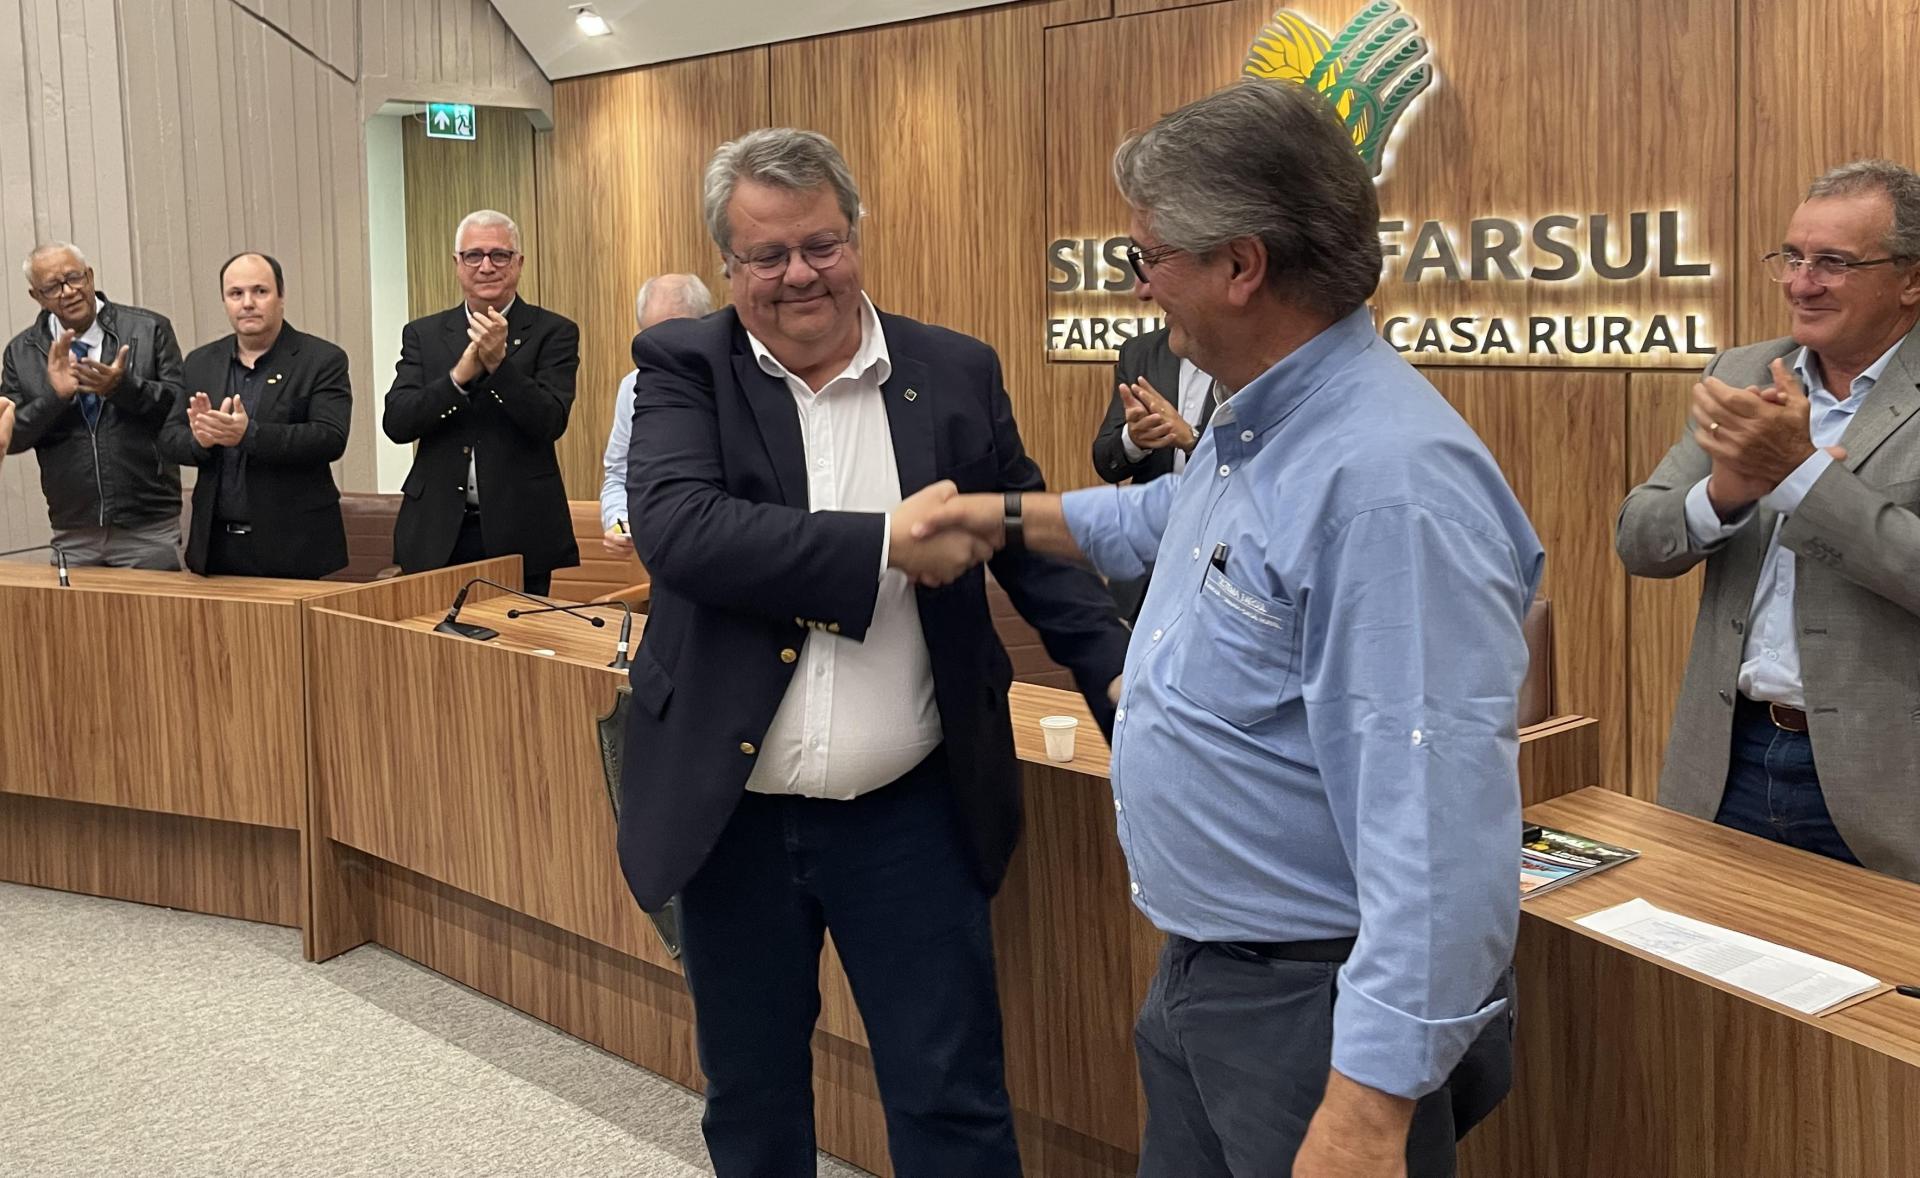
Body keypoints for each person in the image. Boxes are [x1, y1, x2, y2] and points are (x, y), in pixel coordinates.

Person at [913, 79, 1542, 1177]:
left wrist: (1368, 1108)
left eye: (1149, 256)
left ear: (1242, 265)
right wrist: (995, 516)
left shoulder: (1387, 486)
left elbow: (1438, 833)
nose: (1139, 284)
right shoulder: (1261, 426)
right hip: (1212, 975)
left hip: (1313, 1009)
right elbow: (1157, 520)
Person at [613, 128, 1129, 1177]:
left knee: (951, 1098)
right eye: (768, 255)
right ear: (727, 265)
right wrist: (886, 542)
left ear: (857, 234)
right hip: (732, 812)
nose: (800, 274)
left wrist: (1125, 683)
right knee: (752, 1098)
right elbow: (682, 530)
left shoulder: (952, 370)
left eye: (822, 244)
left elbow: (1026, 538)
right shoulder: (685, 366)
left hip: (912, 814)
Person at [1617, 158, 1920, 880]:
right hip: (1730, 757)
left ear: (1911, 279)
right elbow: (1640, 541)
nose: (1800, 284)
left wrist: (1801, 476)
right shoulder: (1744, 371)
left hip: (1887, 783)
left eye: (1834, 263)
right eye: (1792, 257)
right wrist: (1725, 493)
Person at [383, 210, 579, 596]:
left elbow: (550, 421)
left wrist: (499, 366)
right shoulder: (424, 333)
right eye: (473, 255)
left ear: (518, 263)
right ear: (457, 263)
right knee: (431, 634)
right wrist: (458, 377)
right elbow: (398, 423)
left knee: (515, 634)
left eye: (499, 255)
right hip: (436, 527)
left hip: (519, 528)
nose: (486, 267)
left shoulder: (553, 331)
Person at [159, 253, 351, 579]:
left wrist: (248, 435)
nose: (247, 303)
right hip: (215, 547)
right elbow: (169, 439)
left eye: (260, 291)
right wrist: (200, 440)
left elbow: (330, 438)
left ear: (281, 296)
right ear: (224, 301)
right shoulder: (200, 362)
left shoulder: (321, 359)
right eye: (236, 293)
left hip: (294, 547)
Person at [3, 242, 185, 568]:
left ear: (89, 276)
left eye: (74, 278)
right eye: (52, 287)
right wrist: (55, 398)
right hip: (73, 530)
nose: (68, 292)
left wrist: (121, 388)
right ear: (37, 296)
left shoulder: (149, 328)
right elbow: (10, 438)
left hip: (147, 523)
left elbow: (177, 410)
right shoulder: (21, 352)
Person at [1088, 325, 1220, 620]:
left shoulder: (1250, 350)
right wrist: (1133, 440)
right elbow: (1106, 462)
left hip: (1219, 567)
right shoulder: (1141, 351)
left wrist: (1192, 441)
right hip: (1146, 569)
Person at [600, 273, 713, 556]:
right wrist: (619, 522)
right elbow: (618, 474)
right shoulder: (632, 387)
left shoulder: (732, 381)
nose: (665, 349)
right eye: (653, 338)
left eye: (676, 336)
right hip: (661, 554)